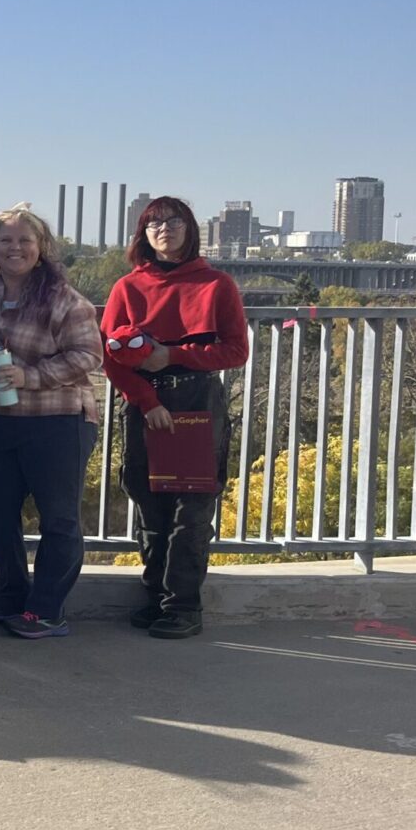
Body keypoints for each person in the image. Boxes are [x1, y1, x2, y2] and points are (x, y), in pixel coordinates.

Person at [102, 196, 248, 640]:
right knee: (149, 500)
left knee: (191, 507)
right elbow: (110, 357)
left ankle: (182, 605)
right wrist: (148, 403)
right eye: (154, 223)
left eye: (173, 220)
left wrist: (173, 354)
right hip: (147, 403)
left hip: (198, 399)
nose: (164, 228)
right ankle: (156, 597)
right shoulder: (128, 287)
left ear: (190, 227)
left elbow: (236, 351)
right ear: (143, 234)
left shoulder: (217, 284)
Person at [0, 204, 104, 638]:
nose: (16, 248)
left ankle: (47, 609)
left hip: (59, 419)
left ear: (42, 247)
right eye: (6, 240)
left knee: (59, 517)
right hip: (1, 419)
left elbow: (89, 355)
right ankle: (13, 595)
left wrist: (32, 376)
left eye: (25, 241)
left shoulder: (63, 298)